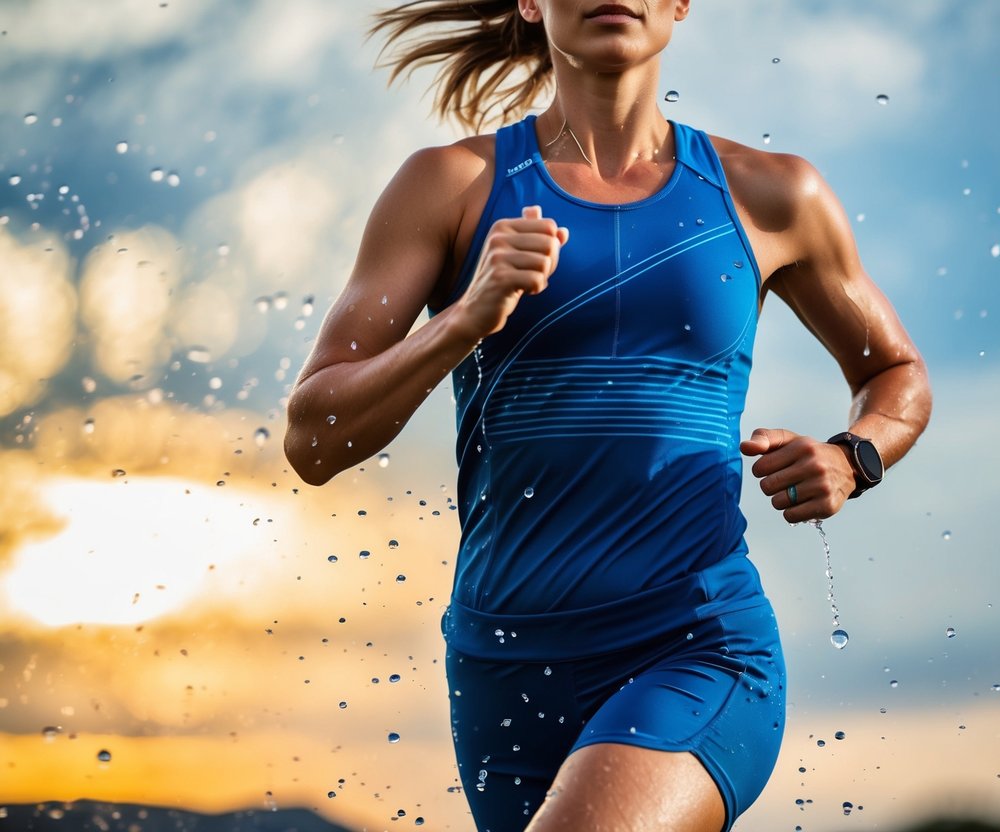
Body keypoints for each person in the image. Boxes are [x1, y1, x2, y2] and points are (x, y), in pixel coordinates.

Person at [284, 1, 932, 829]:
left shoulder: (771, 194)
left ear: (679, 4)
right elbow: (312, 440)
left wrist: (852, 455)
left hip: (695, 642)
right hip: (502, 665)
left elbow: (895, 373)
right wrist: (461, 320)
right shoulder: (450, 187)